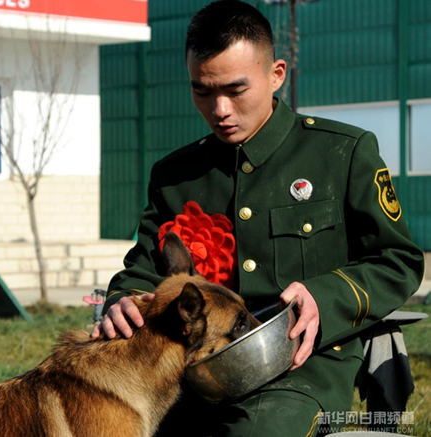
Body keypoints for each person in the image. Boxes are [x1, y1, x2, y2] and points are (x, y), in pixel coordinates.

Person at [92, 1, 424, 436]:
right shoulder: (175, 176)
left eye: (235, 89)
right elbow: (143, 270)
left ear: (276, 74)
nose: (220, 109)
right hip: (191, 370)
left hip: (302, 365)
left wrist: (324, 298)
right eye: (203, 91)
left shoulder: (341, 154)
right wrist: (123, 300)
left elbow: (398, 261)